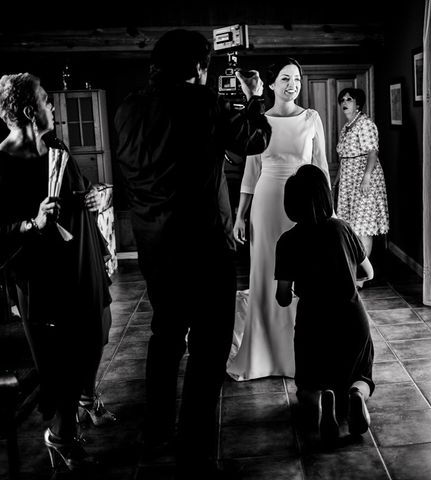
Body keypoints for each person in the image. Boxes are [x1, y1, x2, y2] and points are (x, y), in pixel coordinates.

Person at [113, 29, 271, 477]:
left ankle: (157, 427)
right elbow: (255, 140)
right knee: (209, 346)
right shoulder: (204, 104)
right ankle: (193, 444)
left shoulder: (126, 109)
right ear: (198, 68)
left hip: (155, 248)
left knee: (164, 336)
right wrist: (254, 98)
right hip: (204, 249)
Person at [0, 73, 113, 471]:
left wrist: (94, 198)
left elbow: (76, 194)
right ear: (31, 111)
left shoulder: (56, 145)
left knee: (100, 327)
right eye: (48, 100)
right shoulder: (1, 164)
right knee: (59, 362)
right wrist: (32, 224)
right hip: (41, 275)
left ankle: (85, 400)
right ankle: (61, 436)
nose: (54, 107)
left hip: (82, 260)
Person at [228, 56, 329, 381]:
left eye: (297, 79)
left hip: (305, 206)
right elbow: (250, 172)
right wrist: (240, 217)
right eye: (285, 79)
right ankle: (264, 353)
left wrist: (329, 211)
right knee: (266, 274)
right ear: (271, 84)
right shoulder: (260, 120)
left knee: (306, 275)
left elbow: (321, 166)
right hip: (267, 203)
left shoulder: (311, 118)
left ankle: (302, 352)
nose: (292, 85)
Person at [275, 164, 375, 442]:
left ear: (290, 203)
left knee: (306, 385)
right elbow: (369, 272)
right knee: (362, 376)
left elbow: (283, 298)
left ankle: (320, 399)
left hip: (313, 324)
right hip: (353, 320)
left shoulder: (287, 242)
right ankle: (356, 395)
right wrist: (348, 278)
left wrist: (296, 289)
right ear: (326, 195)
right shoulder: (342, 228)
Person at [335, 87, 389, 288]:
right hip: (349, 179)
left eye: (349, 99)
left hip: (363, 179)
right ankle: (352, 270)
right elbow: (344, 156)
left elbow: (372, 153)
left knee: (363, 226)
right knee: (350, 227)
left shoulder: (365, 124)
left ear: (358, 103)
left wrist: (366, 178)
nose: (345, 102)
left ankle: (363, 275)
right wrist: (338, 178)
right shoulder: (348, 126)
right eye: (342, 99)